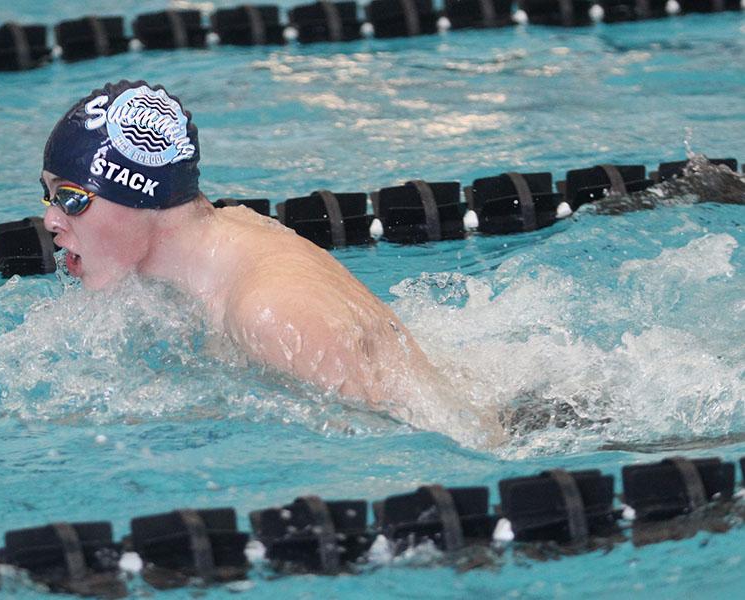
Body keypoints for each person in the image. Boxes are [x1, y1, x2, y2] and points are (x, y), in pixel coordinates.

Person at [41, 80, 502, 445]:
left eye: (70, 197)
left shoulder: (271, 312)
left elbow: (419, 443)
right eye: (48, 196)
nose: (50, 220)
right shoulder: (227, 239)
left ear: (137, 194)